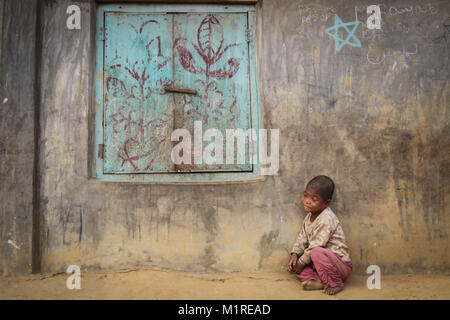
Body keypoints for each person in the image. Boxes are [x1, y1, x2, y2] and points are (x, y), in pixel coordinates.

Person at [286, 175, 352, 295]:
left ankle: (335, 283)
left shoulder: (326, 218)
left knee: (315, 252)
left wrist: (301, 263)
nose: (307, 201)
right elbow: (302, 238)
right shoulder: (308, 217)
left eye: (314, 199)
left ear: (326, 203)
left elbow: (316, 246)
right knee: (297, 267)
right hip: (319, 264)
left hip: (340, 265)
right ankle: (319, 281)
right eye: (305, 195)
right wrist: (295, 254)